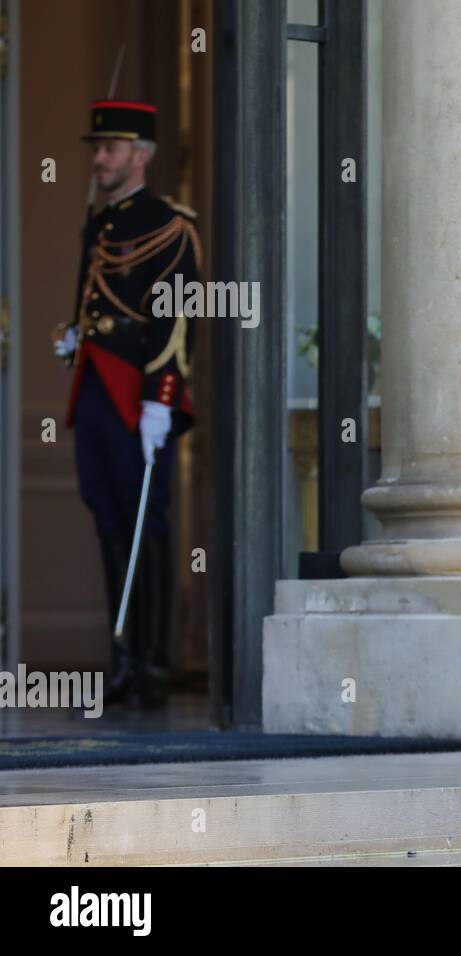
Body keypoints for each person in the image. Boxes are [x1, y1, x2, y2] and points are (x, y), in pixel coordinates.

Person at [51, 99, 201, 708]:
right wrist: (74, 336)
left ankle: (155, 665)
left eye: (109, 148)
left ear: (141, 156)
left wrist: (161, 398)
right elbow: (96, 300)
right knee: (109, 517)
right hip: (94, 382)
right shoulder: (101, 222)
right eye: (96, 148)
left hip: (136, 391)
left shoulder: (170, 225)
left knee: (147, 522)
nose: (97, 158)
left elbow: (175, 321)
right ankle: (124, 658)